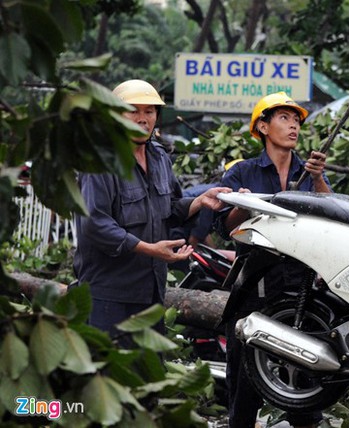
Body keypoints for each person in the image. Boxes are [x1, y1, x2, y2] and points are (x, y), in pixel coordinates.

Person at [73, 79, 231, 340]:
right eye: (133, 110)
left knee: (147, 375)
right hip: (109, 295)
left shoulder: (159, 157)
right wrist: (149, 249)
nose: (142, 118)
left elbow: (169, 209)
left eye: (149, 111)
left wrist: (200, 201)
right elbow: (95, 224)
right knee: (110, 374)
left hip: (151, 292)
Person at [212, 92, 331, 428]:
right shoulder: (242, 174)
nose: (293, 125)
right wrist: (241, 205)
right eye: (283, 118)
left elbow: (335, 217)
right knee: (245, 390)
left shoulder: (309, 173)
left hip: (300, 292)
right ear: (262, 127)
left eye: (296, 120)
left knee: (303, 390)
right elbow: (223, 227)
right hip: (253, 288)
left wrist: (319, 179)